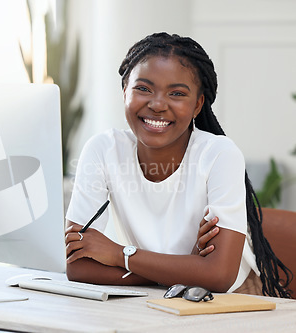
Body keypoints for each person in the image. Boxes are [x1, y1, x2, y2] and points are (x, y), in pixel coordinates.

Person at [64, 32, 292, 298]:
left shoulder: (220, 154)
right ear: (125, 90)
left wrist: (119, 254)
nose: (157, 104)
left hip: (236, 299)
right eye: (143, 88)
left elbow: (219, 276)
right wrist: (185, 269)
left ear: (197, 105)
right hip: (163, 296)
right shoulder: (102, 150)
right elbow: (78, 267)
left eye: (176, 93)